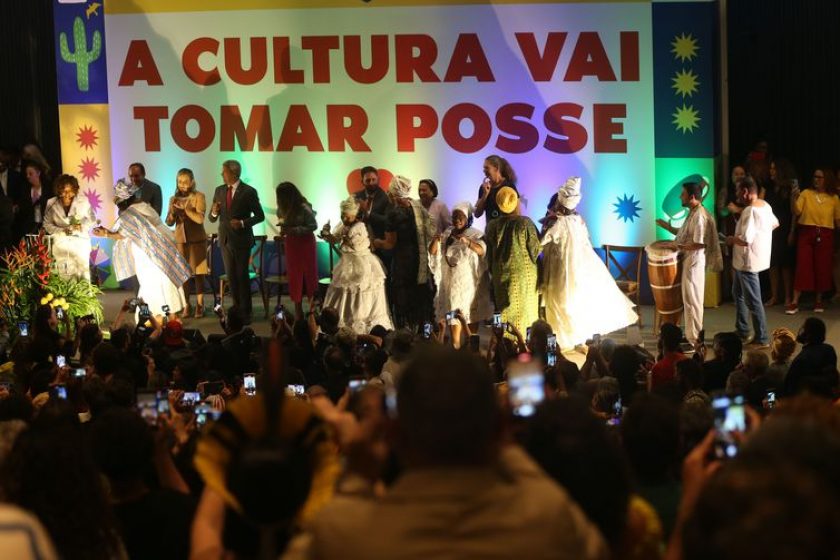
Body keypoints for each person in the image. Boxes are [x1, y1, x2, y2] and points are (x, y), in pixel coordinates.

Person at [296, 347, 608, 559]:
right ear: (498, 429)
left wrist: (355, 473)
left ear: (394, 435)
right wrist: (511, 443)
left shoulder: (344, 533)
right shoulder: (548, 518)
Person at [541, 177, 638, 349]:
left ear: (561, 204)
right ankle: (574, 344)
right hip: (578, 271)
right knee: (572, 307)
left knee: (560, 307)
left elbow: (539, 243)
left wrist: (545, 224)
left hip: (562, 274)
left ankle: (560, 347)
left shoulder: (558, 223)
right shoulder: (578, 220)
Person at [94, 179, 190, 318]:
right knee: (162, 284)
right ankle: (171, 318)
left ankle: (150, 318)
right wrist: (108, 232)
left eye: (118, 203)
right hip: (159, 249)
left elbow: (124, 234)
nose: (118, 206)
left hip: (149, 253)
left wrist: (106, 233)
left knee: (150, 286)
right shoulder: (143, 205)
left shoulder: (133, 212)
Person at [656, 180, 722, 346]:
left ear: (692, 197)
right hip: (690, 260)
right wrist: (668, 228)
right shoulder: (694, 212)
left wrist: (676, 245)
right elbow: (685, 234)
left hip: (694, 262)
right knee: (690, 301)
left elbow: (699, 243)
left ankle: (694, 339)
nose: (680, 196)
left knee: (693, 301)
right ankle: (692, 336)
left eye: (683, 194)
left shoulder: (699, 216)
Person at [320, 197, 393, 333]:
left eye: (346, 216)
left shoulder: (360, 227)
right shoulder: (343, 226)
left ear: (354, 215)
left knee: (360, 292)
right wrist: (327, 234)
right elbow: (335, 239)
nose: (343, 219)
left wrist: (344, 239)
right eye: (342, 215)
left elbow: (356, 246)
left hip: (361, 264)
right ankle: (340, 322)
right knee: (344, 292)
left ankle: (361, 325)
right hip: (347, 264)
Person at [372, 175, 435, 331]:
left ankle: (405, 335)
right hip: (419, 260)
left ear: (394, 193)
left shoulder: (393, 214)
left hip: (402, 262)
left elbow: (390, 243)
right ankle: (423, 333)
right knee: (419, 298)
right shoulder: (417, 207)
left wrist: (376, 242)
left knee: (403, 299)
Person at [209, 160, 265, 323]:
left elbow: (260, 216)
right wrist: (213, 212)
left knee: (242, 276)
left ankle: (246, 312)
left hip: (242, 240)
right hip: (225, 240)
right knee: (232, 277)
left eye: (224, 172)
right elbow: (212, 219)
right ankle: (236, 312)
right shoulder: (219, 190)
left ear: (234, 173)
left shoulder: (248, 191)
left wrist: (242, 223)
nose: (222, 174)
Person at [725, 176, 778, 347]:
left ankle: (761, 338)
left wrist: (732, 239)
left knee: (753, 301)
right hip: (754, 259)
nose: (736, 195)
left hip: (747, 262)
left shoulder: (750, 211)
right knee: (738, 294)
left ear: (745, 191)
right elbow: (775, 224)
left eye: (737, 191)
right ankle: (742, 330)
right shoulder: (765, 205)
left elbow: (746, 239)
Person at [430, 202, 491, 347]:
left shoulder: (476, 234)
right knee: (453, 320)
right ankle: (456, 351)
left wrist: (467, 241)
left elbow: (482, 251)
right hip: (450, 285)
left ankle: (473, 356)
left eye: (461, 217)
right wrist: (435, 241)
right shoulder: (447, 233)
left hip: (467, 285)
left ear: (468, 218)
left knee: (470, 322)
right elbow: (432, 253)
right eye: (454, 216)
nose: (457, 219)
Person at [485, 186, 541, 336]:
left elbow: (489, 254)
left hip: (500, 274)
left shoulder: (491, 226)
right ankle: (525, 346)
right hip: (525, 277)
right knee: (526, 314)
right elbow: (535, 250)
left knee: (502, 310)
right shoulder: (525, 223)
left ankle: (503, 344)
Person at [788, 168, 840, 314]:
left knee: (822, 267)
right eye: (815, 176)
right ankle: (794, 301)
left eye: (820, 177)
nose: (816, 179)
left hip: (826, 234)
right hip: (806, 232)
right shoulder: (806, 193)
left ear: (827, 179)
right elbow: (796, 211)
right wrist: (793, 198)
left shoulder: (834, 198)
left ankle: (818, 300)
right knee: (802, 266)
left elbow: (838, 222)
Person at [165, 168, 209, 318]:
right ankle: (186, 305)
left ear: (192, 182)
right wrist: (172, 212)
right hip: (181, 242)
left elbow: (200, 219)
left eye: (185, 182)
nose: (182, 185)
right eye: (179, 181)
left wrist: (187, 211)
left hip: (197, 241)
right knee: (184, 275)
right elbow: (169, 222)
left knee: (199, 274)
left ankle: (200, 304)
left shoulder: (199, 196)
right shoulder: (173, 199)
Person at [276, 181, 319, 321]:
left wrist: (293, 230)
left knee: (309, 275)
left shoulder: (304, 207)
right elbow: (283, 224)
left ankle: (313, 310)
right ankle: (298, 311)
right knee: (294, 277)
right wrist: (283, 231)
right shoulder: (282, 209)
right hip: (292, 245)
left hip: (305, 244)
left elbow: (313, 225)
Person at [43, 174, 96, 281]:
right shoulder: (51, 203)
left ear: (75, 190)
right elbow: (47, 224)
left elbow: (92, 219)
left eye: (70, 191)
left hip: (80, 242)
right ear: (58, 190)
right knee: (64, 276)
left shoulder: (83, 201)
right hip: (61, 244)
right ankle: (66, 297)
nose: (67, 194)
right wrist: (62, 231)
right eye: (64, 191)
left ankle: (85, 297)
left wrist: (81, 226)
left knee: (83, 275)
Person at [763, 158, 797, 307]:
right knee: (773, 263)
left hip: (785, 229)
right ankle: (775, 296)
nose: (771, 171)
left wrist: (792, 231)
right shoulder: (769, 187)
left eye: (774, 168)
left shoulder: (790, 188)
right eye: (770, 168)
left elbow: (794, 213)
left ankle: (788, 296)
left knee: (785, 265)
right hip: (771, 230)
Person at [784, 317, 838, 397]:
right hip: (827, 397)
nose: (800, 330)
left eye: (802, 328)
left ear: (808, 335)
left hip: (807, 402)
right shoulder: (829, 349)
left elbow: (789, 387)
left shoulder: (801, 360)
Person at [355, 166, 393, 266]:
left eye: (373, 180)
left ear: (378, 180)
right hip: (360, 244)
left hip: (380, 244)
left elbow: (387, 220)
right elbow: (349, 217)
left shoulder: (387, 198)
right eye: (368, 180)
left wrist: (367, 213)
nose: (371, 183)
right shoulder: (356, 197)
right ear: (362, 181)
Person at [474, 154, 517, 223]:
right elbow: (477, 214)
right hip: (490, 231)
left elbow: (517, 212)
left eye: (487, 168)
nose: (484, 171)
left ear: (496, 168)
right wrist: (485, 195)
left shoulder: (509, 186)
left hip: (506, 231)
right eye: (484, 168)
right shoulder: (483, 188)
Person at [15, 160, 50, 242]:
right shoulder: (25, 190)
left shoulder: (48, 189)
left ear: (38, 173)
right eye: (26, 174)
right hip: (29, 229)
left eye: (30, 173)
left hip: (45, 228)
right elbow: (23, 210)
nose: (28, 176)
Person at [649, 323, 688, 391]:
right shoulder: (686, 361)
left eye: (659, 336)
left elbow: (653, 394)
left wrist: (649, 376)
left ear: (662, 341)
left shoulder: (658, 368)